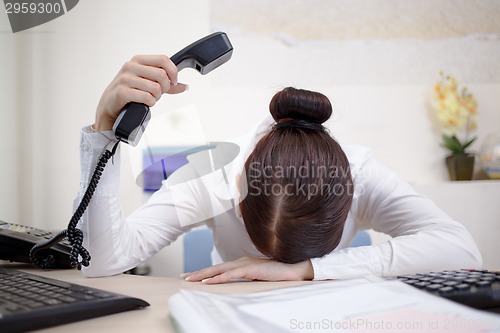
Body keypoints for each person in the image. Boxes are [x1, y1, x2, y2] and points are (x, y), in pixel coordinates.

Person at [77, 54, 482, 284]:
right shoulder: (213, 173)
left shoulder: (359, 173)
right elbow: (100, 260)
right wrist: (102, 136)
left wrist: (306, 270)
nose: (271, 263)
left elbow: (461, 248)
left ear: (347, 198)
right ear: (236, 189)